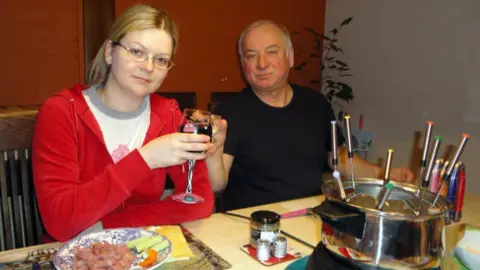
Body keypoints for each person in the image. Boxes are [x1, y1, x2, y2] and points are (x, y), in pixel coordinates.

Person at [32, 4, 226, 242]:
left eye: (161, 59)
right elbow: (60, 223)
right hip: (75, 254)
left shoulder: (169, 114)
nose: (148, 67)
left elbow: (199, 199)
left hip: (141, 248)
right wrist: (146, 159)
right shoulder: (62, 112)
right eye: (137, 52)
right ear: (109, 52)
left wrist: (107, 225)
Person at [207, 20, 414, 211]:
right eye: (251, 55)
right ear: (243, 64)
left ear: (290, 57)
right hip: (253, 225)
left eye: (271, 52)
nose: (262, 64)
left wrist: (383, 175)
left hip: (310, 217)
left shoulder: (316, 104)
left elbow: (340, 161)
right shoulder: (228, 114)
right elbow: (217, 183)